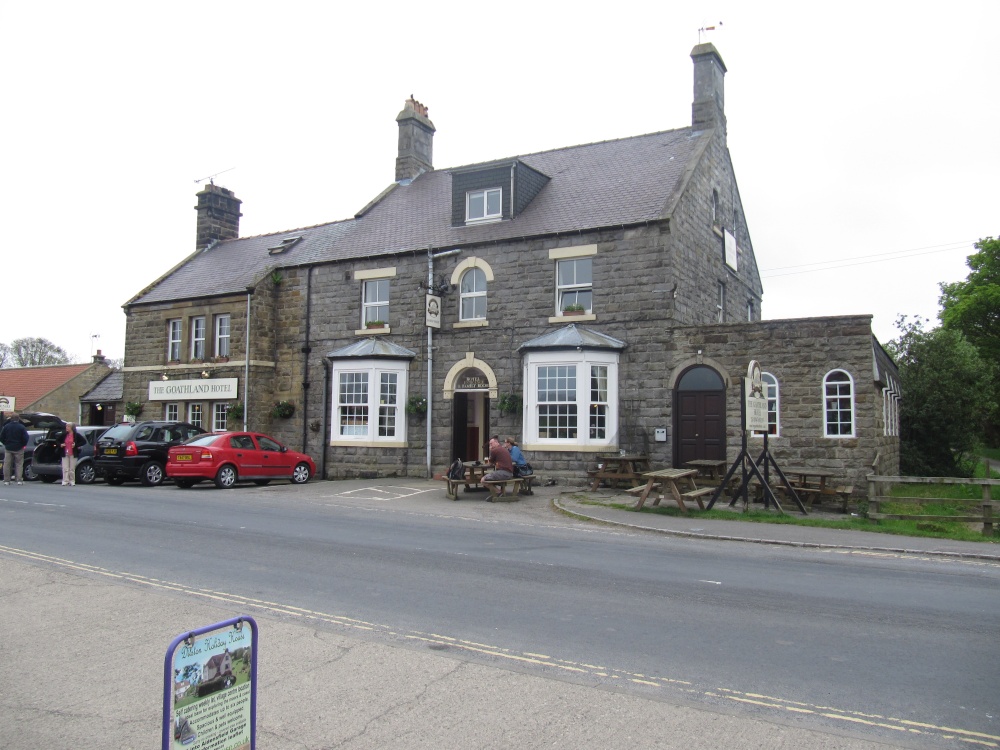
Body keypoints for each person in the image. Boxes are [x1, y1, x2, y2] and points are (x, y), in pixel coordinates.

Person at [1, 414, 30, 486]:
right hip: (19, 448)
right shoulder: (21, 427)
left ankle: (6, 480)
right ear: (18, 419)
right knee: (19, 464)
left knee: (7, 464)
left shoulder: (6, 427)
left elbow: (1, 437)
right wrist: (23, 444)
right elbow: (26, 438)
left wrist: (6, 443)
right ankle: (19, 480)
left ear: (11, 419)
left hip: (8, 448)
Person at [54, 422, 85, 486]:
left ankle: (72, 481)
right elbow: (57, 441)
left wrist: (76, 445)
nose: (66, 428)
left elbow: (83, 441)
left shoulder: (76, 435)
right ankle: (65, 481)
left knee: (72, 468)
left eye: (68, 427)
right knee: (65, 468)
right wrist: (61, 444)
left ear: (72, 428)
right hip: (65, 453)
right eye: (66, 426)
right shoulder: (64, 434)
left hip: (73, 453)